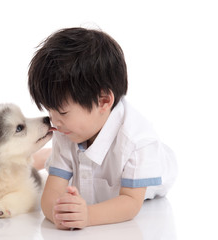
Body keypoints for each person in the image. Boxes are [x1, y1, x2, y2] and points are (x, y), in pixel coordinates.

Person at [28, 27, 177, 230]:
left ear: (104, 101)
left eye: (62, 113)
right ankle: (44, 157)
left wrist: (87, 215)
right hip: (90, 152)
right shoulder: (67, 130)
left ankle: (44, 157)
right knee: (57, 159)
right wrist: (60, 213)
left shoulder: (138, 142)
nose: (54, 122)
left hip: (155, 168)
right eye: (49, 111)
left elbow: (130, 202)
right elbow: (51, 195)